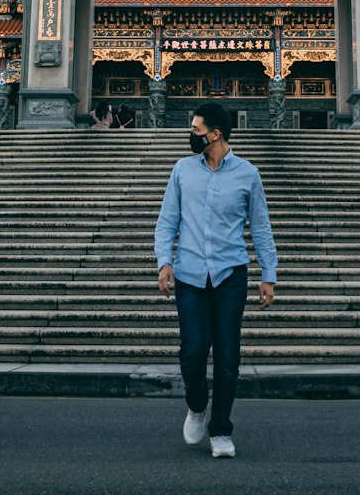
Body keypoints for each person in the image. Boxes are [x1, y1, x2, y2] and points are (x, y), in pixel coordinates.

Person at [154, 101, 277, 460]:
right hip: (190, 273)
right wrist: (164, 262)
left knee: (227, 355)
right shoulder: (182, 170)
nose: (191, 135)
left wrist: (268, 274)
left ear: (215, 133)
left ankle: (221, 429)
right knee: (192, 351)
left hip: (230, 275)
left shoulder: (247, 174)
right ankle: (197, 406)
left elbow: (262, 227)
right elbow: (167, 221)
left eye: (196, 130)